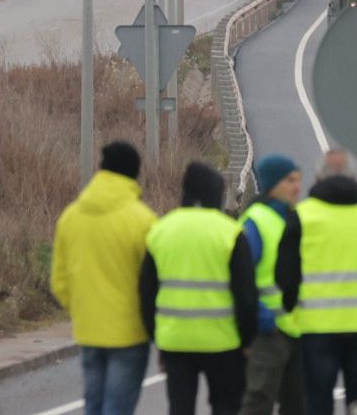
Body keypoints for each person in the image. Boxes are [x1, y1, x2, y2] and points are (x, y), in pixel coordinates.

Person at [276, 149, 357, 415]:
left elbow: (285, 275)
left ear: (319, 177)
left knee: (318, 401)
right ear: (354, 176)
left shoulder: (302, 215)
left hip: (317, 327)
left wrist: (291, 306)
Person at [139, 162, 259, 415]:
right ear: (217, 194)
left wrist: (156, 337)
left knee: (180, 408)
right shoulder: (230, 232)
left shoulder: (161, 230)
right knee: (226, 406)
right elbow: (246, 295)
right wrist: (247, 339)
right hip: (223, 342)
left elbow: (146, 293)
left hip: (176, 341)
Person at [52, 141, 158, 415]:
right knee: (117, 408)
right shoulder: (143, 220)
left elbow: (59, 281)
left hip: (88, 330)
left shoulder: (70, 216)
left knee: (94, 406)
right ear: (135, 174)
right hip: (130, 333)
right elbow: (153, 283)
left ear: (100, 168)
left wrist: (80, 308)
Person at [240, 154, 306, 415]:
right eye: (290, 180)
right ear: (272, 184)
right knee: (258, 402)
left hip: (297, 332)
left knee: (297, 406)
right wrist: (261, 317)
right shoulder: (254, 222)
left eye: (299, 180)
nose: (297, 187)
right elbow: (241, 279)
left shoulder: (295, 219)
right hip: (266, 333)